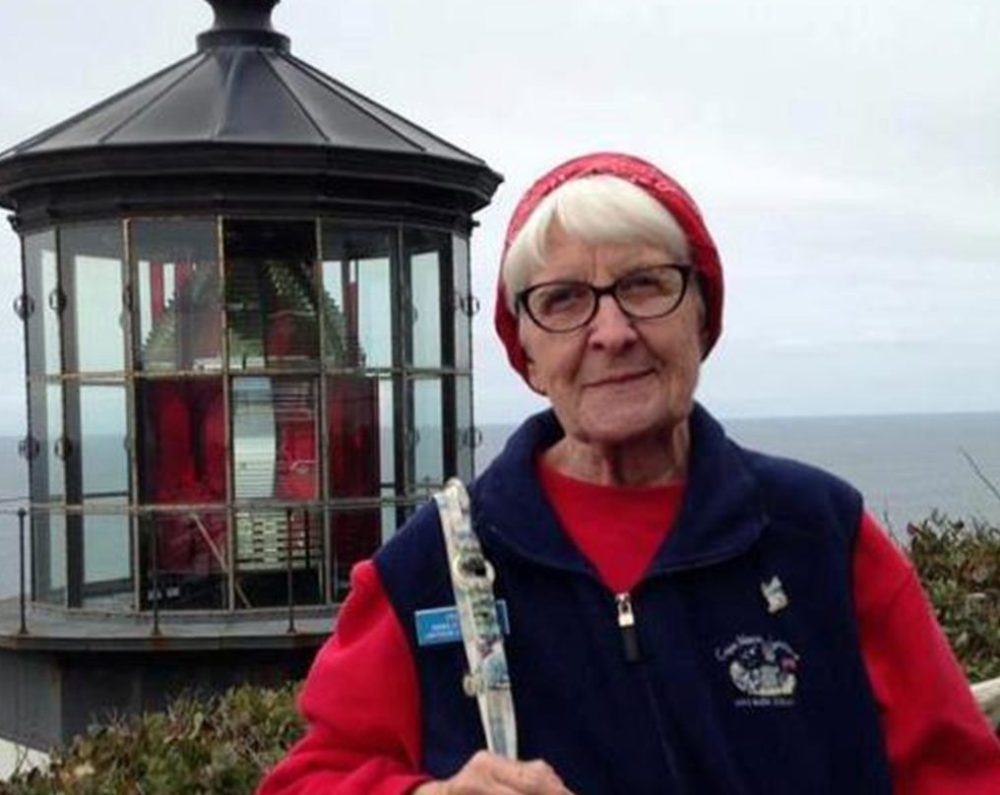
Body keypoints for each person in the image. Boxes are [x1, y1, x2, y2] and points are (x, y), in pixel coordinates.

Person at [257, 152, 1000, 794]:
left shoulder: (821, 532)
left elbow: (959, 772)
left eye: (645, 285)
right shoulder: (431, 567)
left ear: (701, 315)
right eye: (564, 300)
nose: (610, 332)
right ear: (528, 354)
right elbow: (307, 776)